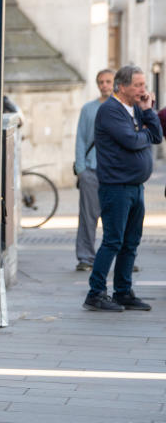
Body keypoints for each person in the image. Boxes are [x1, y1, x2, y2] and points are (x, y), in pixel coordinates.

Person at [83, 66, 162, 312]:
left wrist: (148, 111)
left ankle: (123, 292)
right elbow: (130, 140)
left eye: (143, 84)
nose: (143, 89)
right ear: (122, 86)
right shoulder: (110, 111)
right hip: (116, 187)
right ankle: (95, 293)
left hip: (136, 187)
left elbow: (157, 136)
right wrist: (143, 135)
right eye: (138, 85)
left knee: (131, 242)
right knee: (113, 241)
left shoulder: (137, 108)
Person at [74, 69, 115, 272]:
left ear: (116, 84)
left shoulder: (122, 108)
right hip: (91, 171)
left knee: (117, 218)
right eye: (101, 82)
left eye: (108, 81)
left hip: (115, 173)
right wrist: (81, 169)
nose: (104, 85)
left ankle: (122, 258)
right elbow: (80, 139)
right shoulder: (88, 109)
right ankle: (85, 257)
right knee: (88, 217)